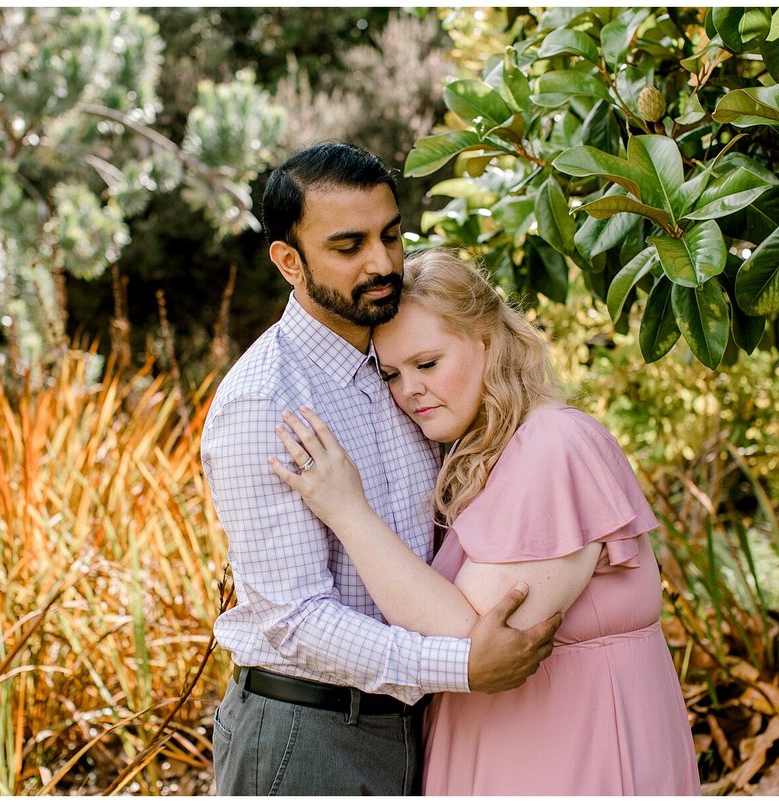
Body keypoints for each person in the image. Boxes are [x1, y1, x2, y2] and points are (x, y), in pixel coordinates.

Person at [200, 143, 563, 796]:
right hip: (306, 735)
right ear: (289, 260)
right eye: (348, 246)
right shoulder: (267, 400)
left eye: (390, 235)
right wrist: (461, 663)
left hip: (416, 724)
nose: (381, 263)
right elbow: (295, 618)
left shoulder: (405, 367)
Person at [270, 248, 702, 795]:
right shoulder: (488, 452)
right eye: (392, 374)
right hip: (511, 743)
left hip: (567, 751)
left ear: (488, 342)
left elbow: (472, 639)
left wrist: (347, 512)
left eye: (427, 364)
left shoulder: (553, 446)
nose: (409, 391)